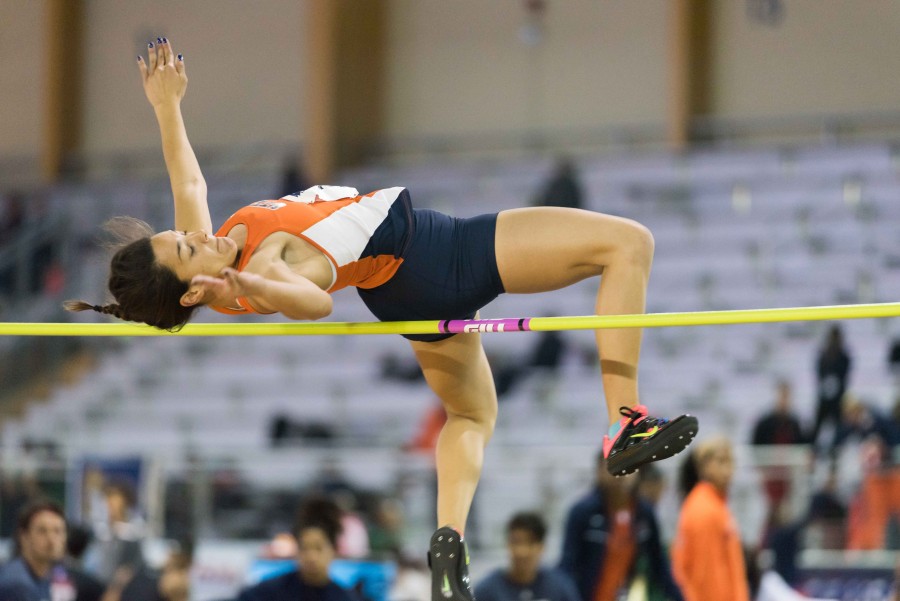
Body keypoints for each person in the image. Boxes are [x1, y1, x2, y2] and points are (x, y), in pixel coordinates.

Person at [65, 38, 698, 600]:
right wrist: (255, 277)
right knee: (628, 244)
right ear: (192, 290)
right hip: (433, 253)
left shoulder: (218, 262)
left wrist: (166, 107)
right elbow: (313, 304)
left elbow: (191, 187)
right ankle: (626, 423)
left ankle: (449, 541)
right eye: (183, 246)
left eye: (178, 235)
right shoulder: (263, 265)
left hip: (398, 292)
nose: (190, 235)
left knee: (473, 414)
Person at [559, 451, 683, 601]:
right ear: (599, 471)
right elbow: (568, 566)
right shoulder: (583, 512)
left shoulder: (644, 513)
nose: (621, 472)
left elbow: (659, 565)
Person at [671, 437, 750, 601]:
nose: (728, 469)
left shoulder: (716, 505)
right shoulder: (705, 509)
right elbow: (705, 574)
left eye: (731, 462)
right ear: (704, 467)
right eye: (721, 462)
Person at [234, 497, 357, 601]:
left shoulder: (344, 597)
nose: (311, 556)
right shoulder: (269, 592)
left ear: (333, 550)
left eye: (318, 548)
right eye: (305, 548)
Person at [475, 512, 578, 601]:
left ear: (542, 547)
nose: (522, 551)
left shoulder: (560, 587)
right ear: (507, 544)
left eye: (530, 543)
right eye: (516, 542)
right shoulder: (486, 590)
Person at [0, 499, 76, 601]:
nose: (51, 540)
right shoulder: (16, 584)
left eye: (58, 531)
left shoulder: (51, 576)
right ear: (24, 537)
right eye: (42, 531)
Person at [810, 324, 852, 452]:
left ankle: (835, 452)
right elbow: (819, 375)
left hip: (838, 398)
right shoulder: (823, 355)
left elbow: (845, 376)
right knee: (817, 428)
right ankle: (813, 452)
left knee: (839, 428)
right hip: (824, 398)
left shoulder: (844, 357)